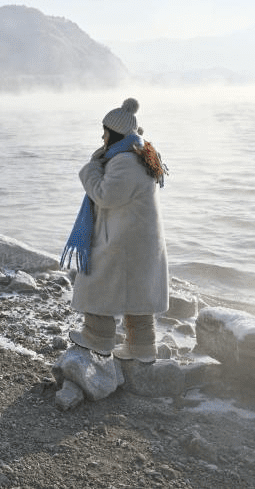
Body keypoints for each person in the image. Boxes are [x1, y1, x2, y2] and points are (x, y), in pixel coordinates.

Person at [63, 98, 169, 362]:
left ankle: (97, 338)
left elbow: (105, 195)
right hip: (140, 237)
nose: (102, 136)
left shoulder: (125, 161)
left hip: (124, 239)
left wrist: (90, 170)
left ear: (116, 133)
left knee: (100, 280)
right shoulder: (141, 153)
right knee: (138, 292)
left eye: (105, 131)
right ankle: (142, 347)